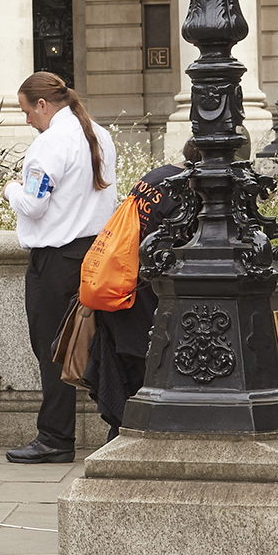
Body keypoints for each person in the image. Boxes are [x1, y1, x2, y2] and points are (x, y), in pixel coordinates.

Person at [4, 71, 117, 465]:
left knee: (52, 348)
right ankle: (117, 425)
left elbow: (34, 204)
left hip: (54, 260)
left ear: (42, 104)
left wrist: (9, 190)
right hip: (92, 255)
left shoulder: (50, 142)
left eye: (26, 111)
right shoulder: (98, 134)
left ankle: (55, 436)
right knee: (94, 343)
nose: (26, 120)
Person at [82, 166, 183, 438]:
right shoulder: (186, 192)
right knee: (140, 399)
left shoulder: (154, 178)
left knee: (123, 393)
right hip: (145, 311)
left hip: (121, 299)